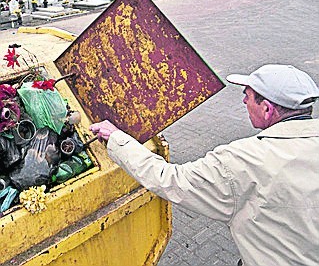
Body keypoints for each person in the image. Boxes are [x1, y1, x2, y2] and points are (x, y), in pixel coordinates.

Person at [90, 64, 319, 266]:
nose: (244, 101)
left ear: (267, 109)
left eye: (247, 95)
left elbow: (170, 180)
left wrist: (117, 139)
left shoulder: (242, 159)